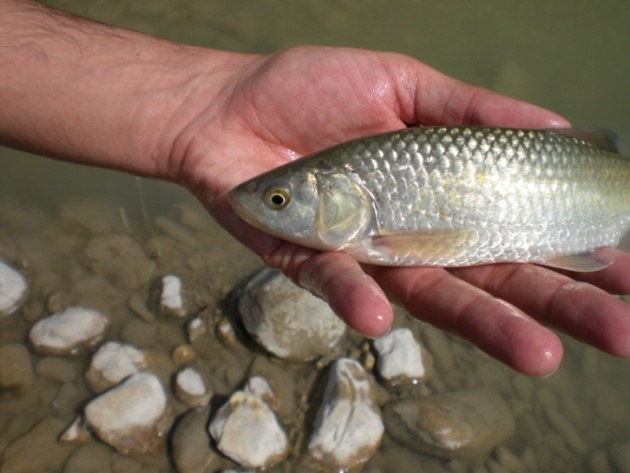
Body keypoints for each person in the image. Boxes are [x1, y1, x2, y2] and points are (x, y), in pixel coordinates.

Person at [1, 0, 629, 377]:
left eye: (279, 200)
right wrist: (198, 110)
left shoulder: (378, 218)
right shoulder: (359, 194)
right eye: (279, 199)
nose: (262, 206)